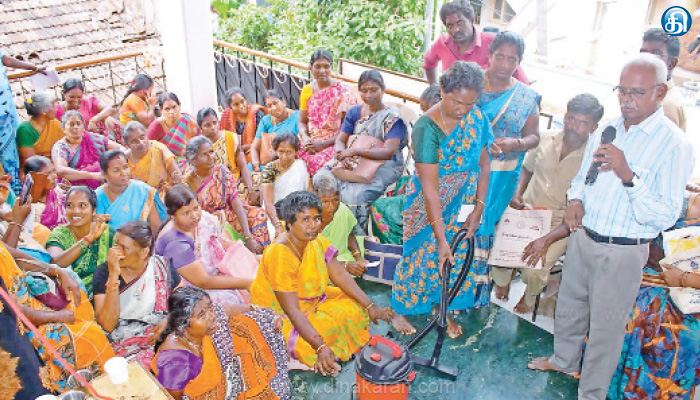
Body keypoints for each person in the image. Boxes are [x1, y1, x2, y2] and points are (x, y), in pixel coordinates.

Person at [527, 54, 695, 400]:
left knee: (606, 327)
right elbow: (582, 179)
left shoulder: (675, 145)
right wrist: (575, 200)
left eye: (636, 93)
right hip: (584, 236)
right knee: (570, 307)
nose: (626, 99)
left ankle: (591, 393)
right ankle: (563, 361)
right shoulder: (610, 127)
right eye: (622, 90)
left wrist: (628, 175)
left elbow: (664, 216)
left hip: (622, 251)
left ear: (660, 93)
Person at [391, 61, 492, 338]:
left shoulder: (477, 118)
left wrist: (479, 208)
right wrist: (441, 238)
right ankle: (399, 309)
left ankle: (442, 308)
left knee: (457, 256)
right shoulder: (427, 128)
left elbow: (485, 164)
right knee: (419, 257)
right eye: (457, 102)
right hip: (429, 205)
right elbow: (430, 188)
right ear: (443, 91)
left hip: (465, 200)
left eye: (469, 104)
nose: (463, 110)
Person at [250, 191, 389, 375]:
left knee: (354, 306)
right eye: (305, 220)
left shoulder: (314, 241)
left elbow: (340, 275)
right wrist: (320, 347)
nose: (313, 225)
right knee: (324, 334)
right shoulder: (280, 254)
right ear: (289, 223)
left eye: (316, 219)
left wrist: (370, 305)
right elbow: (292, 311)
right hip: (281, 316)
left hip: (311, 302)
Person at [493, 94, 604, 313]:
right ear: (565, 116)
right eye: (571, 118)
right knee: (501, 251)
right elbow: (527, 169)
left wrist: (545, 240)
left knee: (534, 269)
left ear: (594, 127)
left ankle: (530, 294)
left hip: (560, 223)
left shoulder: (594, 160)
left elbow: (581, 214)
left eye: (583, 123)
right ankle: (503, 280)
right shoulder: (546, 138)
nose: (574, 127)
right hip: (527, 209)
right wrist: (518, 194)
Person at [607, 200, 700, 399]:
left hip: (689, 300)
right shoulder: (677, 197)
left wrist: (684, 279)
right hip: (643, 285)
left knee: (681, 340)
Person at [477, 31, 541, 302]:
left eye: (512, 59)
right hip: (469, 173)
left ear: (519, 62)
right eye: (499, 56)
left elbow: (534, 137)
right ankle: (453, 289)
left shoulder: (526, 97)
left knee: (489, 229)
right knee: (463, 224)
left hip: (502, 179)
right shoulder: (471, 85)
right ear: (489, 55)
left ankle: (477, 292)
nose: (504, 64)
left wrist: (516, 143)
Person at [0, 243, 114, 392]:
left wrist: (57, 271)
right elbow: (13, 310)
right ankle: (93, 388)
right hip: (20, 328)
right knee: (91, 337)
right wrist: (56, 316)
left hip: (32, 306)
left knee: (78, 301)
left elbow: (18, 257)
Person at [153, 286, 291, 400]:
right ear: (183, 326)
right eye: (201, 315)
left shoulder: (208, 325)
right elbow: (169, 397)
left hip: (223, 376)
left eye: (210, 307)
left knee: (246, 325)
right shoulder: (175, 363)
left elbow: (226, 310)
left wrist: (263, 313)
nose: (212, 316)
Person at [317, 69, 407, 234]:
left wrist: (355, 152)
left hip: (384, 164)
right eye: (364, 91)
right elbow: (340, 140)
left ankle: (355, 236)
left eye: (374, 90)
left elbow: (388, 152)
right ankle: (329, 228)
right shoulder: (354, 112)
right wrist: (341, 155)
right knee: (321, 178)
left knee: (356, 194)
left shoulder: (392, 117)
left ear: (383, 89)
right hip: (351, 159)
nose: (369, 95)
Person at [92, 220, 180, 367]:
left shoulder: (162, 267)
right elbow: (107, 324)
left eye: (123, 248)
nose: (115, 252)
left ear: (144, 252)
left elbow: (182, 299)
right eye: (116, 245)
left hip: (160, 338)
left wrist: (169, 319)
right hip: (123, 347)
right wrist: (113, 276)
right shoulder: (104, 273)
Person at [155, 184, 253, 306]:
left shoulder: (205, 219)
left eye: (196, 208)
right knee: (231, 304)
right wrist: (247, 283)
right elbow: (203, 281)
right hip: (190, 293)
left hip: (217, 277)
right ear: (172, 216)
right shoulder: (174, 243)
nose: (195, 216)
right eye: (186, 213)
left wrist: (253, 261)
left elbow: (230, 248)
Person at [184, 136, 269, 252]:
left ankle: (261, 255)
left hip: (229, 214)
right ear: (193, 161)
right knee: (221, 223)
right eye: (204, 155)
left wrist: (248, 237)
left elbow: (236, 203)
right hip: (206, 224)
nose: (211, 157)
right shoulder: (187, 183)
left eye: (211, 152)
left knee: (259, 214)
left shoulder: (221, 171)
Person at [423, 0, 528, 85]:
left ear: (471, 20)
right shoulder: (442, 43)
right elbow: (429, 63)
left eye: (460, 23)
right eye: (450, 25)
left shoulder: (493, 42)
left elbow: (521, 79)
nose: (456, 30)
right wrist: (435, 88)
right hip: (452, 103)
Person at [297, 50, 359, 176]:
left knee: (317, 163)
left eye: (326, 66)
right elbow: (302, 121)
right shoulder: (307, 90)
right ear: (310, 68)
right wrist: (305, 138)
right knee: (289, 152)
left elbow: (349, 129)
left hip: (335, 141)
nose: (322, 71)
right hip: (311, 140)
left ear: (331, 68)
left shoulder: (342, 91)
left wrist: (323, 144)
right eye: (317, 66)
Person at [46, 186, 114, 296]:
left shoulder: (107, 233)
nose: (75, 211)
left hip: (104, 296)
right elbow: (54, 263)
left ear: (93, 210)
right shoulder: (60, 234)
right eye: (70, 206)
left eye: (82, 206)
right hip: (71, 297)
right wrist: (88, 239)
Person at [0, 50, 46, 194]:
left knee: (9, 150)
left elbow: (7, 60)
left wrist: (33, 67)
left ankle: (13, 191)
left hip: (5, 110)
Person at [196, 107, 259, 205]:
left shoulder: (230, 138)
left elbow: (243, 166)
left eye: (214, 123)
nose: (213, 127)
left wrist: (251, 190)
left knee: (262, 180)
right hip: (215, 187)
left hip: (235, 179)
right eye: (207, 125)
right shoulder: (198, 146)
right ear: (201, 128)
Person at [95, 149, 167, 231]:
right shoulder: (97, 196)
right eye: (116, 170)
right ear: (104, 174)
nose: (123, 173)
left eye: (125, 167)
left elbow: (156, 227)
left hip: (140, 238)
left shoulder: (143, 190)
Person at [314, 174, 368, 277]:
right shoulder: (308, 218)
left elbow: (348, 234)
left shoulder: (342, 210)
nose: (331, 206)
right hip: (316, 263)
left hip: (340, 256)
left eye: (335, 200)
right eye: (325, 202)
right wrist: (344, 265)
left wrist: (358, 256)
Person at [52, 110, 122, 190]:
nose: (76, 127)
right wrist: (92, 175)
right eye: (71, 124)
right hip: (73, 189)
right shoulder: (61, 147)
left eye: (78, 123)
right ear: (64, 129)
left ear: (83, 126)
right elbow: (61, 170)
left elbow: (119, 148)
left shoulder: (94, 139)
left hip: (101, 184)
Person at [260, 131, 310, 233]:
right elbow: (268, 203)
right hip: (274, 215)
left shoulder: (301, 166)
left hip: (297, 214)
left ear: (296, 151)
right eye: (281, 151)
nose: (284, 156)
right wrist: (277, 225)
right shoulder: (270, 169)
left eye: (288, 152)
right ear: (275, 151)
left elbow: (309, 194)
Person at [640, 27, 686, 131]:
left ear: (671, 63)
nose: (646, 59)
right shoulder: (651, 93)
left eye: (656, 54)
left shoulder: (665, 106)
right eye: (643, 53)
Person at [124, 121, 182, 197]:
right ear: (127, 144)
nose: (140, 143)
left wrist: (176, 180)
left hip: (164, 196)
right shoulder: (125, 159)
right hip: (139, 197)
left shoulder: (159, 149)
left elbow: (177, 176)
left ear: (146, 135)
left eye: (142, 137)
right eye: (134, 141)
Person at [147, 92, 200, 171]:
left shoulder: (189, 121)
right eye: (167, 109)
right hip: (164, 167)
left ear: (179, 106)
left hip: (190, 163)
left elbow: (200, 144)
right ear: (161, 110)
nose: (171, 112)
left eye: (174, 107)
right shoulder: (155, 127)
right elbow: (148, 150)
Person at [55, 78, 121, 142]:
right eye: (71, 97)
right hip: (71, 142)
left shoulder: (88, 102)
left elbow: (110, 109)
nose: (76, 100)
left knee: (109, 120)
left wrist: (94, 120)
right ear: (64, 94)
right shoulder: (57, 110)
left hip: (92, 139)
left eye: (79, 97)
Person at [252, 89, 300, 171]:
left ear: (284, 102)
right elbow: (254, 147)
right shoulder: (266, 121)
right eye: (269, 106)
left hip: (290, 161)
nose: (273, 108)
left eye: (276, 103)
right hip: (269, 164)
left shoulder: (297, 117)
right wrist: (256, 166)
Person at [218, 87, 266, 163]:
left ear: (246, 100)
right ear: (231, 107)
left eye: (242, 102)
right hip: (237, 154)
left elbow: (263, 140)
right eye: (236, 104)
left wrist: (242, 148)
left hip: (256, 153)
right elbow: (224, 139)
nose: (241, 106)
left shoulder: (257, 114)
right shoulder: (227, 117)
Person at [15, 91, 63, 166]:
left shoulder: (55, 124)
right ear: (43, 111)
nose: (56, 108)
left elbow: (64, 147)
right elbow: (32, 162)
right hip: (36, 169)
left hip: (57, 165)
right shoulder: (25, 129)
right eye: (53, 105)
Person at [23, 155, 67, 234]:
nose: (54, 176)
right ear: (34, 178)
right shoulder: (28, 207)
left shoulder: (61, 193)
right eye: (48, 174)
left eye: (54, 171)